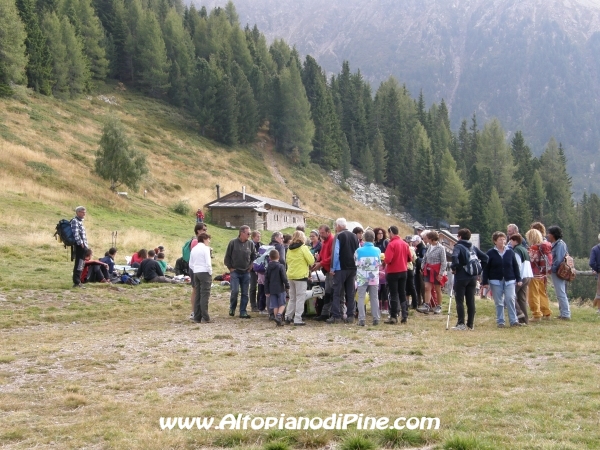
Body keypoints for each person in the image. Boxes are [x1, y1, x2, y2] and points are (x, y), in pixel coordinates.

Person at [482, 231, 523, 328]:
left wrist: (518, 279)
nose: (503, 241)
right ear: (495, 241)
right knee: (499, 302)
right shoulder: (490, 253)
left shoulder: (510, 252)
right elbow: (486, 268)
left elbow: (515, 266)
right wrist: (485, 282)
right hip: (495, 280)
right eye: (500, 239)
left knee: (510, 299)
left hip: (509, 280)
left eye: (504, 239)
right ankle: (500, 321)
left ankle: (514, 321)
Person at [450, 228, 488, 330]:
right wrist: (479, 270)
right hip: (472, 277)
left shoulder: (458, 246)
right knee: (470, 301)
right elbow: (485, 258)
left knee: (459, 301)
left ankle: (461, 324)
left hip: (461, 277)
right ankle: (470, 324)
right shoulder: (473, 247)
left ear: (460, 237)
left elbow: (454, 257)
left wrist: (454, 267)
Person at [327, 218, 359, 324]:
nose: (335, 228)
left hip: (341, 267)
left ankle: (336, 316)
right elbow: (357, 251)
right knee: (350, 292)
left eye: (336, 226)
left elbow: (335, 253)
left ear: (339, 226)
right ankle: (350, 315)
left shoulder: (339, 236)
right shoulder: (354, 236)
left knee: (336, 292)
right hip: (352, 267)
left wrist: (332, 268)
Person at [224, 225, 257, 319]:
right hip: (235, 272)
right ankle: (232, 308)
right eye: (248, 233)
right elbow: (227, 257)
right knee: (235, 291)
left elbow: (254, 256)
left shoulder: (250, 244)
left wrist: (251, 266)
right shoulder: (233, 243)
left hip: (246, 272)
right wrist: (230, 268)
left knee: (245, 293)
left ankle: (243, 311)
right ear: (241, 233)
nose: (249, 235)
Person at [285, 231, 315, 326]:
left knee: (292, 298)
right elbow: (311, 261)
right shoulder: (303, 248)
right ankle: (298, 318)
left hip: (291, 275)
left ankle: (288, 316)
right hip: (301, 276)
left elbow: (287, 261)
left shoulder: (289, 249)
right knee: (300, 298)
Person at [384, 225, 412, 324]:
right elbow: (410, 258)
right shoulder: (405, 244)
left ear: (391, 232)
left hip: (393, 272)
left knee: (394, 294)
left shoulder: (391, 244)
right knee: (402, 292)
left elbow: (388, 259)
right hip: (403, 271)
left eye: (388, 233)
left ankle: (393, 316)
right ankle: (404, 315)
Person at [354, 230, 381, 326]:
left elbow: (356, 263)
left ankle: (361, 319)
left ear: (364, 238)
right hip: (374, 277)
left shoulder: (358, 250)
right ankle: (376, 318)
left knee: (361, 298)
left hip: (362, 276)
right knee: (374, 297)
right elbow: (379, 263)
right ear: (374, 239)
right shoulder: (377, 250)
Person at [525, 228, 553, 321]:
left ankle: (536, 314)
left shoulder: (534, 248)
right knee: (542, 293)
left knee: (533, 294)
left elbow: (531, 260)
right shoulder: (545, 246)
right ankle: (546, 312)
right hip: (542, 274)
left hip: (534, 273)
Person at [418, 231, 447, 314]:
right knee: (427, 287)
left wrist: (441, 273)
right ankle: (426, 305)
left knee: (437, 289)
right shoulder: (429, 246)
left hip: (437, 270)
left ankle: (439, 306)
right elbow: (425, 258)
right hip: (428, 270)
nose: (427, 240)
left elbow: (444, 261)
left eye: (428, 238)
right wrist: (422, 267)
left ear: (432, 239)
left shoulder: (441, 248)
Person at [547, 225, 571, 320]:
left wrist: (552, 268)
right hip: (556, 270)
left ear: (553, 235)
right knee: (560, 292)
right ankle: (563, 312)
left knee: (561, 292)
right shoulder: (556, 244)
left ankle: (565, 313)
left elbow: (559, 258)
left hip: (558, 271)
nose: (548, 235)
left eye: (549, 233)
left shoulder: (560, 244)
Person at [509, 233, 533, 325]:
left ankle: (520, 314)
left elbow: (517, 264)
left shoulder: (516, 250)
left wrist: (516, 277)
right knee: (522, 298)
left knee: (511, 296)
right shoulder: (524, 249)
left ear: (515, 241)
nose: (510, 242)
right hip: (528, 275)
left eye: (511, 240)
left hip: (521, 276)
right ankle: (525, 320)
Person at [189, 233, 212, 323]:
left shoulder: (194, 249)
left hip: (196, 272)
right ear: (204, 239)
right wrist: (210, 272)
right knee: (205, 295)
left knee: (198, 294)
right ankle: (205, 316)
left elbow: (190, 263)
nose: (209, 241)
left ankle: (197, 317)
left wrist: (195, 269)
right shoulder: (205, 249)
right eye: (208, 239)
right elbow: (208, 262)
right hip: (204, 272)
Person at [312, 225, 335, 321]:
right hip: (326, 270)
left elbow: (332, 257)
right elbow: (322, 253)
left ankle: (329, 313)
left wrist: (320, 263)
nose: (321, 235)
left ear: (328, 232)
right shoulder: (325, 241)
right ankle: (325, 313)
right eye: (320, 233)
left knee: (331, 292)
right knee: (328, 291)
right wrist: (318, 259)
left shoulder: (332, 240)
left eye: (322, 233)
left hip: (331, 270)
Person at [264, 249, 289, 326]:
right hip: (280, 288)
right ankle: (279, 315)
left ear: (270, 258)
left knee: (275, 305)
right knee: (282, 304)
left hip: (271, 289)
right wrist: (287, 285)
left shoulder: (268, 267)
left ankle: (278, 321)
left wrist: (266, 291)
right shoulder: (280, 266)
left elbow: (266, 280)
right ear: (279, 256)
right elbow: (284, 277)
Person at [71, 206, 88, 288]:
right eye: (82, 212)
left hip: (83, 245)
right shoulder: (75, 221)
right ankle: (77, 282)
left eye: (85, 212)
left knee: (81, 263)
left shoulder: (80, 221)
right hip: (80, 246)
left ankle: (78, 281)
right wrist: (81, 243)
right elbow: (76, 233)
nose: (84, 213)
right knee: (79, 263)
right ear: (77, 212)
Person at [249, 230, 263, 313]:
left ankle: (259, 304)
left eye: (259, 236)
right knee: (253, 287)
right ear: (253, 237)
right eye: (257, 236)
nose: (259, 238)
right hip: (252, 269)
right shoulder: (250, 245)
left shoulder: (261, 245)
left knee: (260, 287)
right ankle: (253, 305)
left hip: (260, 269)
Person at [405, 236, 418, 309]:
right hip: (410, 269)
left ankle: (406, 303)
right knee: (412, 287)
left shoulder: (405, 248)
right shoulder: (411, 249)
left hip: (404, 269)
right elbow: (414, 259)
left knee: (405, 287)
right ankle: (415, 303)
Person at [589, 233, 600, 313]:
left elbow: (592, 263)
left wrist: (596, 269)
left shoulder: (595, 249)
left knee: (599, 292)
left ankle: (599, 309)